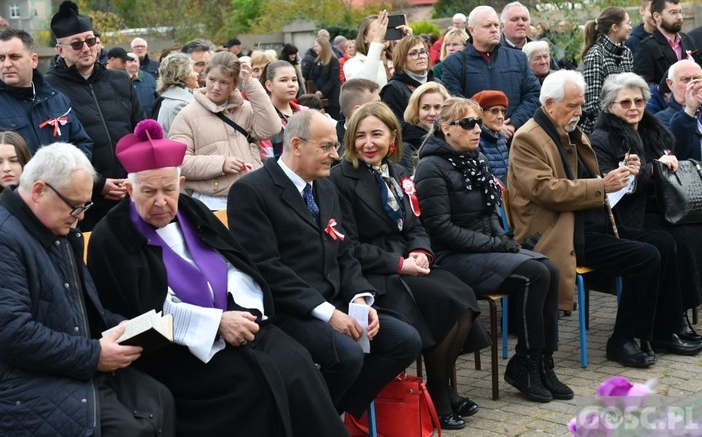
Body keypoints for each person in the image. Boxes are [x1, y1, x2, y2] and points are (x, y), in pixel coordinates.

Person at [88, 120, 347, 436]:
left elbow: (235, 264)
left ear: (180, 183)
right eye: (148, 191)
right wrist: (214, 323)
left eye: (168, 189)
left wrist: (240, 310)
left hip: (237, 320)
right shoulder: (112, 237)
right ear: (129, 189)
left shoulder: (191, 210)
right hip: (174, 350)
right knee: (251, 385)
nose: (160, 201)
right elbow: (139, 318)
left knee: (297, 363)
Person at [0, 142, 174, 436]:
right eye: (75, 206)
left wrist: (119, 326)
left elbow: (77, 305)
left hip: (55, 365)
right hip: (6, 386)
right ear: (39, 190)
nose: (81, 216)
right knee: (127, 429)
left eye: (86, 206)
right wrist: (93, 355)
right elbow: (10, 334)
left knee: (160, 398)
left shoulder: (57, 229)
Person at [227, 110, 422, 417]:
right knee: (347, 356)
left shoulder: (324, 186)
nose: (335, 155)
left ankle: (327, 413)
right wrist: (329, 314)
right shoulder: (252, 190)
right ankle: (316, 418)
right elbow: (266, 267)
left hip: (335, 300)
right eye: (327, 146)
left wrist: (360, 298)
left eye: (335, 146)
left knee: (405, 340)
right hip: (291, 308)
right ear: (296, 145)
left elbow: (344, 251)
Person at [508, 70, 700, 368]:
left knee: (663, 242)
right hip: (559, 232)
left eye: (580, 104)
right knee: (645, 255)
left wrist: (623, 171)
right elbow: (546, 191)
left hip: (590, 221)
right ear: (548, 104)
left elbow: (593, 178)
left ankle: (659, 330)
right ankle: (622, 339)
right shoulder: (528, 138)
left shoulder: (571, 131)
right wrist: (604, 185)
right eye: (572, 105)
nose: (579, 112)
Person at [330, 102, 490, 429]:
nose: (368, 143)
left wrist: (420, 252)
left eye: (376, 134)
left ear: (392, 137)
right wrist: (400, 263)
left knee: (462, 300)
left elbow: (417, 224)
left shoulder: (399, 173)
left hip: (409, 260)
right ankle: (441, 396)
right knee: (443, 303)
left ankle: (439, 387)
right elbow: (349, 246)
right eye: (360, 136)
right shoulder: (340, 179)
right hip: (376, 271)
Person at [414, 97, 572, 403]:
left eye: (477, 122)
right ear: (446, 129)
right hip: (452, 258)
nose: (476, 129)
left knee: (549, 268)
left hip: (484, 250)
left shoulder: (476, 159)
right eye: (468, 123)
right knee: (533, 273)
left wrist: (505, 240)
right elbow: (440, 230)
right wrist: (496, 244)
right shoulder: (431, 168)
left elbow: (490, 212)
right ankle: (524, 363)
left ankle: (541, 361)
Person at [590, 72, 702, 343]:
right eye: (625, 102)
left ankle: (678, 315)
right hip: (626, 214)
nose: (633, 108)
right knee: (672, 239)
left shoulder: (653, 130)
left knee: (692, 232)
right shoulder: (602, 138)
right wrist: (653, 170)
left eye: (639, 101)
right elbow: (613, 187)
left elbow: (668, 161)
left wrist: (669, 163)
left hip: (659, 206)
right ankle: (670, 321)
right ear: (609, 107)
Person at [45, 1, 144, 231]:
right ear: (60, 49)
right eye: (76, 44)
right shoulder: (48, 90)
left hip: (130, 193)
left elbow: (140, 131)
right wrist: (98, 184)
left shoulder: (119, 80)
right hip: (83, 203)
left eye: (90, 41)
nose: (86, 48)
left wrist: (137, 177)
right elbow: (56, 151)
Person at [0, 27, 92, 176]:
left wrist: (66, 181)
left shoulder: (56, 99)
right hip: (20, 198)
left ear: (33, 60)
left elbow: (82, 144)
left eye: (14, 57)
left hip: (64, 194)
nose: (6, 64)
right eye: (1, 58)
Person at [168, 51, 280, 210]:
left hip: (253, 196)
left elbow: (271, 128)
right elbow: (178, 162)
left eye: (224, 82)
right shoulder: (187, 115)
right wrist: (220, 164)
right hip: (212, 202)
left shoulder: (246, 109)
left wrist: (251, 83)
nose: (215, 87)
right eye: (211, 79)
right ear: (204, 77)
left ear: (235, 84)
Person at [442, 5, 541, 141]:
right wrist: (489, 126)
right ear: (472, 30)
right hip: (477, 143)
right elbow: (454, 105)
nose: (494, 30)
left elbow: (534, 94)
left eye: (496, 25)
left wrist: (513, 124)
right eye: (488, 26)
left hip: (515, 139)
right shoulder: (455, 64)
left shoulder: (518, 58)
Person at [579, 7, 634, 134]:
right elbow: (592, 104)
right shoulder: (596, 55)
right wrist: (616, 124)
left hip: (625, 123)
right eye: (627, 23)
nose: (630, 28)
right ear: (615, 27)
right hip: (600, 129)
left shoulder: (626, 53)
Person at [633, 0, 700, 87]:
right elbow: (642, 84)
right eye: (673, 12)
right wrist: (664, 93)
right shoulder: (646, 47)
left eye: (680, 12)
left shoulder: (687, 40)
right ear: (656, 16)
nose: (679, 17)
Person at [380, 35, 437, 122]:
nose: (421, 56)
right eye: (413, 53)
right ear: (402, 60)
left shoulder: (437, 83)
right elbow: (397, 125)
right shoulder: (392, 89)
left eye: (423, 51)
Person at [344, 10, 406, 86]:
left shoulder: (394, 61)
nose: (383, 33)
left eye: (386, 29)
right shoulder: (353, 64)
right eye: (378, 30)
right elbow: (366, 84)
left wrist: (407, 42)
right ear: (364, 38)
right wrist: (377, 41)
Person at [655, 60, 702, 160]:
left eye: (697, 79)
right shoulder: (661, 119)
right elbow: (677, 153)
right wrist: (689, 111)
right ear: (670, 84)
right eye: (686, 80)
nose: (692, 84)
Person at [259, 60, 305, 160]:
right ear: (269, 85)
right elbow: (267, 159)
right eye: (284, 80)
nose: (291, 84)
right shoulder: (264, 118)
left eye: (294, 79)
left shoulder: (305, 112)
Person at [400, 82, 449, 170]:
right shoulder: (407, 147)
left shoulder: (452, 140)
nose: (432, 113)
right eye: (426, 108)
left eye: (438, 107)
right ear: (416, 110)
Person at [155, 52, 199, 135]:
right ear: (182, 75)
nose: (197, 74)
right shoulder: (180, 105)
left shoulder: (174, 99)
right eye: (192, 70)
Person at [472, 90, 510, 183]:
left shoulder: (500, 137)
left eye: (503, 111)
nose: (500, 116)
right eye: (494, 111)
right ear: (480, 113)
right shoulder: (475, 141)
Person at [336, 78, 381, 149]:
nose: (383, 109)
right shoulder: (335, 147)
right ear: (358, 111)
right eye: (376, 105)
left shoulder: (385, 136)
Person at [308, 37, 341, 120]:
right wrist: (316, 91)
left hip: (332, 98)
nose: (314, 48)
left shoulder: (333, 61)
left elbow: (334, 79)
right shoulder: (316, 62)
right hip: (319, 99)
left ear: (323, 46)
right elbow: (312, 78)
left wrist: (322, 92)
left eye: (316, 46)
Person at [127, 52, 158, 117]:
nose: (133, 64)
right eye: (130, 61)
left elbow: (157, 99)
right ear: (124, 64)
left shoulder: (150, 78)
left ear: (139, 63)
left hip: (149, 120)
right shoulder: (119, 79)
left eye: (135, 61)